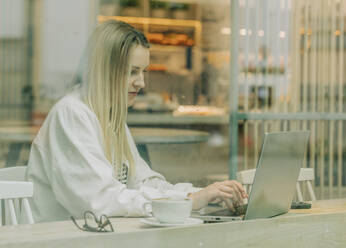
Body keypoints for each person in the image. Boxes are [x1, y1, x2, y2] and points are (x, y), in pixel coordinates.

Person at [26, 20, 247, 223]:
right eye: (132, 72)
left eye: (143, 72)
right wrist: (190, 200)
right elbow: (99, 201)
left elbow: (142, 182)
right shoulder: (72, 114)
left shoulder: (109, 115)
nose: (141, 82)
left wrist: (202, 194)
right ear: (105, 71)